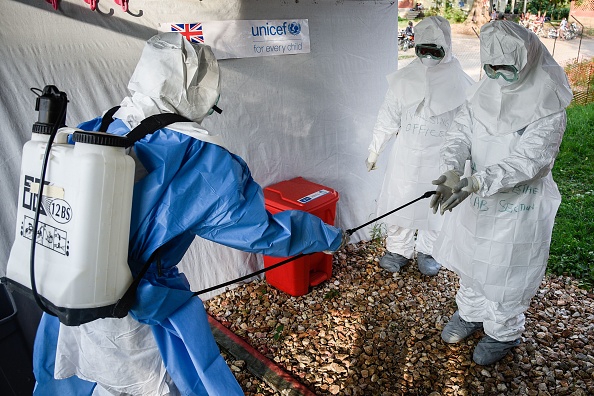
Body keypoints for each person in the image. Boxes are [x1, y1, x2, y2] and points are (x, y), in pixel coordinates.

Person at [33, 32, 349, 395]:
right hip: (135, 307)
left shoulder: (97, 127)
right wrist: (327, 236)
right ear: (198, 91)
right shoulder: (201, 158)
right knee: (144, 384)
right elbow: (262, 232)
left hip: (70, 293)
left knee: (87, 379)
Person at [430, 21, 573, 365]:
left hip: (519, 204)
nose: (496, 75)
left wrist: (478, 182)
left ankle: (502, 331)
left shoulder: (548, 103)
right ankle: (470, 312)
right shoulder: (484, 92)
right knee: (472, 255)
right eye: (489, 67)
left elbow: (531, 161)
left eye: (505, 68)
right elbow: (459, 134)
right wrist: (452, 168)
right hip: (474, 196)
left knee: (509, 268)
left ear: (527, 61)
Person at [365, 16, 474, 276]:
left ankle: (429, 250)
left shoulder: (462, 84)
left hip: (442, 157)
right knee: (400, 200)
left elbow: (468, 127)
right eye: (422, 50)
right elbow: (388, 116)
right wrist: (375, 148)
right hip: (407, 156)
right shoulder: (405, 79)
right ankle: (398, 249)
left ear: (446, 47)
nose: (427, 56)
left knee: (436, 204)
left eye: (434, 51)